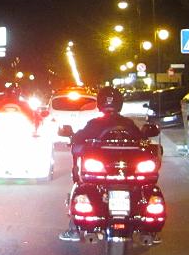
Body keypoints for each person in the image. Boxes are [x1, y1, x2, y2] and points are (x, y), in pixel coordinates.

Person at [58, 85, 142, 242]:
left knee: (81, 183)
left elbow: (77, 140)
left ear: (99, 103)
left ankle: (74, 228)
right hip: (125, 174)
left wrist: (73, 140)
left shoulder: (94, 123)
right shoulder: (128, 123)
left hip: (108, 173)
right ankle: (75, 225)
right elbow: (142, 139)